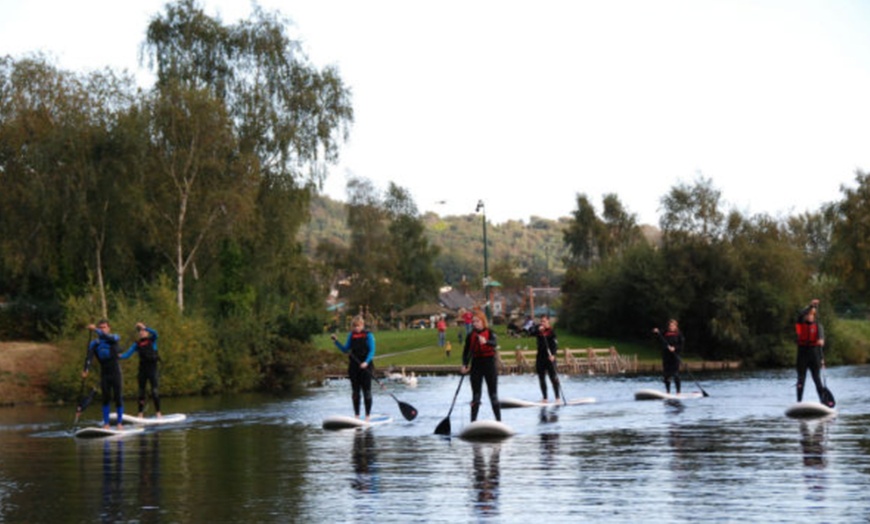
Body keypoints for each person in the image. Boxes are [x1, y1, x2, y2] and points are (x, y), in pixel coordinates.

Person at [82, 319, 125, 429]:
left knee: (118, 397)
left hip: (115, 371)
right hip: (104, 372)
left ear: (108, 328)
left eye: (104, 327)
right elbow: (89, 357)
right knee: (105, 398)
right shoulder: (94, 343)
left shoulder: (114, 338)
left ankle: (119, 423)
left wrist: (95, 330)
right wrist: (86, 369)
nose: (102, 329)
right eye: (100, 327)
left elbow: (108, 337)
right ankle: (106, 424)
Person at [331, 315, 375, 421]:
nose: (356, 328)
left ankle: (368, 416)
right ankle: (357, 415)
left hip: (366, 366)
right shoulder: (351, 336)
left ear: (362, 325)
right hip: (354, 366)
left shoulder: (368, 336)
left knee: (367, 391)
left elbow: (372, 351)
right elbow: (345, 350)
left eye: (358, 326)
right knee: (355, 392)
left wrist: (366, 362)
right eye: (354, 326)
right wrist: (336, 342)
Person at [461, 312, 501, 422]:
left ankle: (499, 421)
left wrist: (486, 341)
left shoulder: (490, 332)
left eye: (477, 321)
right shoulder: (470, 336)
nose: (475, 324)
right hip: (476, 365)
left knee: (493, 395)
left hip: (489, 364)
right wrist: (464, 365)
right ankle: (473, 422)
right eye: (473, 322)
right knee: (476, 397)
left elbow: (494, 343)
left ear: (483, 322)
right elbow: (466, 352)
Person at [120, 322, 161, 418]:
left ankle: (158, 413)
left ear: (147, 332)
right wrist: (117, 356)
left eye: (144, 331)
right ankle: (140, 413)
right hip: (143, 369)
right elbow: (127, 355)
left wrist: (144, 327)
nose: (142, 333)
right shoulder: (137, 344)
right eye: (140, 331)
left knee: (154, 391)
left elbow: (156, 333)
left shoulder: (152, 340)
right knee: (141, 392)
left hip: (152, 369)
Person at [795, 299, 827, 403]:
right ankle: (799, 401)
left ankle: (823, 401)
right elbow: (800, 314)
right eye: (807, 314)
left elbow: (821, 344)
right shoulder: (800, 324)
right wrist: (811, 305)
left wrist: (822, 360)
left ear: (814, 316)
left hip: (814, 355)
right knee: (801, 379)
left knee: (817, 379)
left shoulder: (818, 326)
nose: (808, 316)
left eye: (811, 314)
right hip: (802, 354)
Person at [530, 314, 561, 403]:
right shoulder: (539, 330)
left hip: (550, 357)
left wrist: (553, 355)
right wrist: (537, 329)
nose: (542, 323)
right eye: (541, 321)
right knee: (541, 378)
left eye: (544, 321)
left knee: (553, 377)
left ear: (548, 321)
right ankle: (545, 398)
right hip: (540, 357)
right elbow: (530, 332)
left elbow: (555, 345)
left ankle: (557, 397)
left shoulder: (552, 332)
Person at [652, 319, 683, 394]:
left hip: (675, 356)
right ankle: (668, 391)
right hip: (666, 356)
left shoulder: (679, 334)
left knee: (675, 374)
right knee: (666, 375)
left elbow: (681, 345)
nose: (671, 327)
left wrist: (674, 348)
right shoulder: (665, 333)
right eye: (670, 326)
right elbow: (658, 335)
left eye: (673, 326)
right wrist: (656, 331)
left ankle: (678, 392)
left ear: (676, 326)